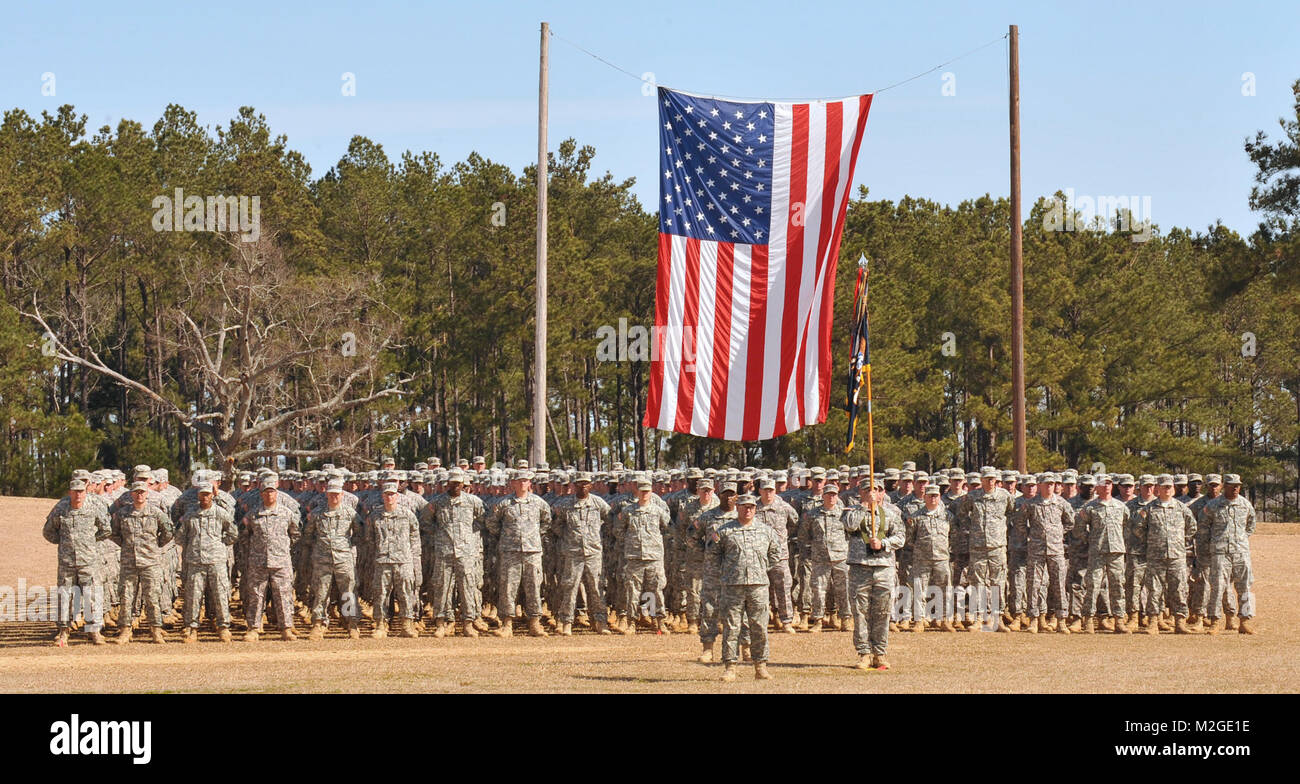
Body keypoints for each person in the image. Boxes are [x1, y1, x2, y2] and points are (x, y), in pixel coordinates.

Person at [712, 493, 779, 682]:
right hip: (733, 586)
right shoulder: (724, 531)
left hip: (758, 586)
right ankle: (730, 667)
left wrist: (761, 569)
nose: (748, 509)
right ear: (737, 508)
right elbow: (713, 555)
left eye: (751, 506)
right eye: (744, 506)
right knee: (732, 627)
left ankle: (760, 666)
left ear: (755, 509)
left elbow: (775, 553)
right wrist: (727, 573)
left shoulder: (766, 531)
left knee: (759, 626)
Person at [43, 478, 112, 646]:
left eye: (81, 491)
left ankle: (94, 632)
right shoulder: (61, 509)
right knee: (65, 597)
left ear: (86, 492)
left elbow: (106, 529)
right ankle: (63, 632)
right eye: (75, 491)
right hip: (67, 562)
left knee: (91, 596)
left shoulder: (93, 508)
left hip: (88, 561)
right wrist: (64, 545)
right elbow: (48, 531)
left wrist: (89, 543)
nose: (78, 494)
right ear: (70, 493)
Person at [844, 480, 905, 670]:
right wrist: (864, 507)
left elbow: (901, 537)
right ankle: (864, 653)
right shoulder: (851, 511)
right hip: (859, 567)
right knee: (860, 612)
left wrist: (884, 543)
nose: (872, 493)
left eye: (876, 490)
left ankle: (880, 652)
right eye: (867, 490)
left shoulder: (892, 514)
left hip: (883, 567)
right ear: (860, 493)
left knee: (882, 611)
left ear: (882, 493)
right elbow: (850, 525)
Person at [487, 470, 553, 637]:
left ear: (530, 483)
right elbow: (492, 523)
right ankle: (507, 624)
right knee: (508, 587)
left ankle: (534, 623)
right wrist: (506, 537)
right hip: (511, 552)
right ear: (513, 483)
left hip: (532, 552)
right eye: (519, 480)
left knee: (533, 587)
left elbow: (547, 522)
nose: (523, 483)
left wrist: (535, 537)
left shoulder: (539, 503)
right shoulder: (504, 504)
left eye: (526, 480)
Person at [423, 469, 488, 637]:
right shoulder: (437, 503)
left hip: (465, 552)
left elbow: (483, 520)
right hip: (444, 552)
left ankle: (468, 623)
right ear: (448, 484)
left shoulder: (473, 502)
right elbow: (425, 522)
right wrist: (439, 535)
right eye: (453, 483)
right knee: (442, 587)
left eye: (459, 483)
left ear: (463, 484)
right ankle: (441, 623)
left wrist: (468, 535)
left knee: (467, 587)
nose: (456, 486)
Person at [109, 480, 173, 644]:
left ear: (147, 494)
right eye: (136, 492)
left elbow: (168, 532)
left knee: (152, 598)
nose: (139, 495)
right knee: (126, 598)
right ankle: (125, 630)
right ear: (131, 494)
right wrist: (126, 546)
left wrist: (155, 547)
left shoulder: (156, 513)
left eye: (142, 492)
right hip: (129, 563)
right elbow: (113, 533)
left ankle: (156, 630)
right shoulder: (122, 514)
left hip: (150, 562)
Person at [240, 474, 302, 642]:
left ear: (277, 493)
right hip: (258, 561)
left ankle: (286, 628)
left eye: (272, 492)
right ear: (261, 494)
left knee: (283, 596)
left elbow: (295, 535)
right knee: (255, 595)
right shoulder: (253, 515)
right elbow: (245, 536)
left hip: (281, 561)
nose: (269, 495)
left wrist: (283, 550)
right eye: (266, 492)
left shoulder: (287, 514)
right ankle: (253, 628)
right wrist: (255, 552)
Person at [1133, 474, 1197, 634]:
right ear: (1157, 489)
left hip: (1177, 556)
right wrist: (1153, 541)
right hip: (1156, 556)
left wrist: (1178, 541)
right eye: (1164, 487)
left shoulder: (1182, 508)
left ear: (1173, 489)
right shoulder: (1148, 509)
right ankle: (1153, 622)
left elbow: (1192, 527)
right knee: (1154, 590)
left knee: (1179, 589)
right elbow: (1138, 528)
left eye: (1170, 487)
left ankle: (1180, 622)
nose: (1167, 490)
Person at [177, 480, 238, 642]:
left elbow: (233, 533)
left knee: (220, 595)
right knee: (193, 596)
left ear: (212, 495)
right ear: (198, 495)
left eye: (207, 494)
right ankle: (191, 628)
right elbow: (181, 536)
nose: (205, 497)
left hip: (216, 561)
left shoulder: (220, 513)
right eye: (202, 494)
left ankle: (224, 627)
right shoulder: (190, 514)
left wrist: (219, 544)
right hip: (195, 561)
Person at [303, 477, 363, 640]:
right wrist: (318, 550)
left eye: (337, 494)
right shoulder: (317, 514)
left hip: (344, 559)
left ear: (342, 494)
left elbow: (360, 534)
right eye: (331, 494)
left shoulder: (351, 514)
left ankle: (351, 624)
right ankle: (318, 624)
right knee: (321, 591)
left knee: (348, 592)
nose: (334, 497)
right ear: (326, 494)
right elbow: (308, 535)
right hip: (322, 560)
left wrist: (348, 548)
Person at [554, 472, 612, 636]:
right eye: (579, 484)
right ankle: (566, 622)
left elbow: (609, 522)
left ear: (591, 486)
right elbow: (557, 526)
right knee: (570, 587)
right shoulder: (566, 505)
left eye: (586, 483)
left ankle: (600, 621)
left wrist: (597, 539)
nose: (583, 486)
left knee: (596, 587)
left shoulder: (598, 503)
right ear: (574, 486)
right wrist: (569, 540)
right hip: (573, 553)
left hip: (593, 553)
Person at [1201, 474, 1257, 635]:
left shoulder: (1245, 505)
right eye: (1232, 485)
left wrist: (1241, 540)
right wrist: (1207, 550)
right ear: (1224, 486)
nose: (1235, 488)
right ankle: (1214, 622)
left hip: (1241, 552)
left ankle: (1245, 621)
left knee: (1246, 587)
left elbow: (1251, 525)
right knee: (1218, 587)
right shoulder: (1213, 506)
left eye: (1238, 485)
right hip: (1220, 553)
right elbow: (1203, 529)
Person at [1075, 474, 1129, 634]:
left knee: (1118, 585)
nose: (1106, 486)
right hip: (1097, 551)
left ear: (1112, 486)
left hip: (1116, 552)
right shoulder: (1090, 508)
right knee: (1092, 586)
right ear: (1097, 487)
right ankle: (1089, 620)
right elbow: (1078, 528)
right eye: (1102, 484)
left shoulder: (1121, 507)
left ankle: (1119, 620)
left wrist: (1120, 541)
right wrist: (1090, 540)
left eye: (1109, 484)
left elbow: (1126, 526)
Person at [617, 478, 673, 634]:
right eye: (642, 491)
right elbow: (618, 530)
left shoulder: (658, 511)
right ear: (637, 491)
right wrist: (630, 542)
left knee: (655, 591)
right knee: (633, 592)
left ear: (651, 492)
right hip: (634, 557)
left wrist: (657, 543)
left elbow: (670, 529)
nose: (644, 494)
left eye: (647, 491)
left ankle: (659, 621)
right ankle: (631, 623)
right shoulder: (628, 511)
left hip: (654, 557)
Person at [367, 482, 422, 639]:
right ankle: (380, 625)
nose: (389, 497)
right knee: (380, 594)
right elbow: (369, 538)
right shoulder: (375, 515)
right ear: (382, 496)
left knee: (406, 593)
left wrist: (413, 560)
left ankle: (407, 624)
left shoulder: (408, 514)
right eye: (387, 494)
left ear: (397, 496)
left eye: (392, 494)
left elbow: (415, 538)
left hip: (403, 561)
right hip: (382, 561)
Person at [799, 480, 851, 632]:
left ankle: (846, 619)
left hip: (841, 557)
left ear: (837, 496)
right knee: (818, 590)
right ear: (823, 496)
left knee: (844, 590)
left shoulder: (844, 513)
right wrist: (814, 549)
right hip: (820, 558)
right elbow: (804, 535)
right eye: (828, 494)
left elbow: (851, 534)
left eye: (834, 495)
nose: (831, 497)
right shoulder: (812, 514)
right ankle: (818, 620)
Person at [908, 483, 954, 631]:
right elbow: (910, 538)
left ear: (939, 497)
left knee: (945, 589)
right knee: (919, 590)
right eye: (930, 496)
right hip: (922, 559)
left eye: (936, 496)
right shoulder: (916, 517)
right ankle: (919, 620)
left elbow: (953, 535)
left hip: (942, 558)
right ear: (925, 497)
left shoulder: (948, 516)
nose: (933, 498)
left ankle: (945, 620)